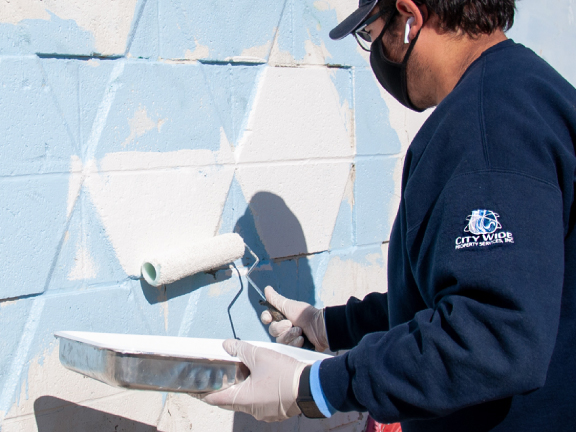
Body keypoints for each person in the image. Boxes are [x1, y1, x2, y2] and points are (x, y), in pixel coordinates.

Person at [198, 0, 576, 430]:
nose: (374, 51)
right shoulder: (530, 91)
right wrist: (330, 326)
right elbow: (462, 294)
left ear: (410, 18)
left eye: (371, 32)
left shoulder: (489, 123)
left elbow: (494, 336)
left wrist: (317, 386)